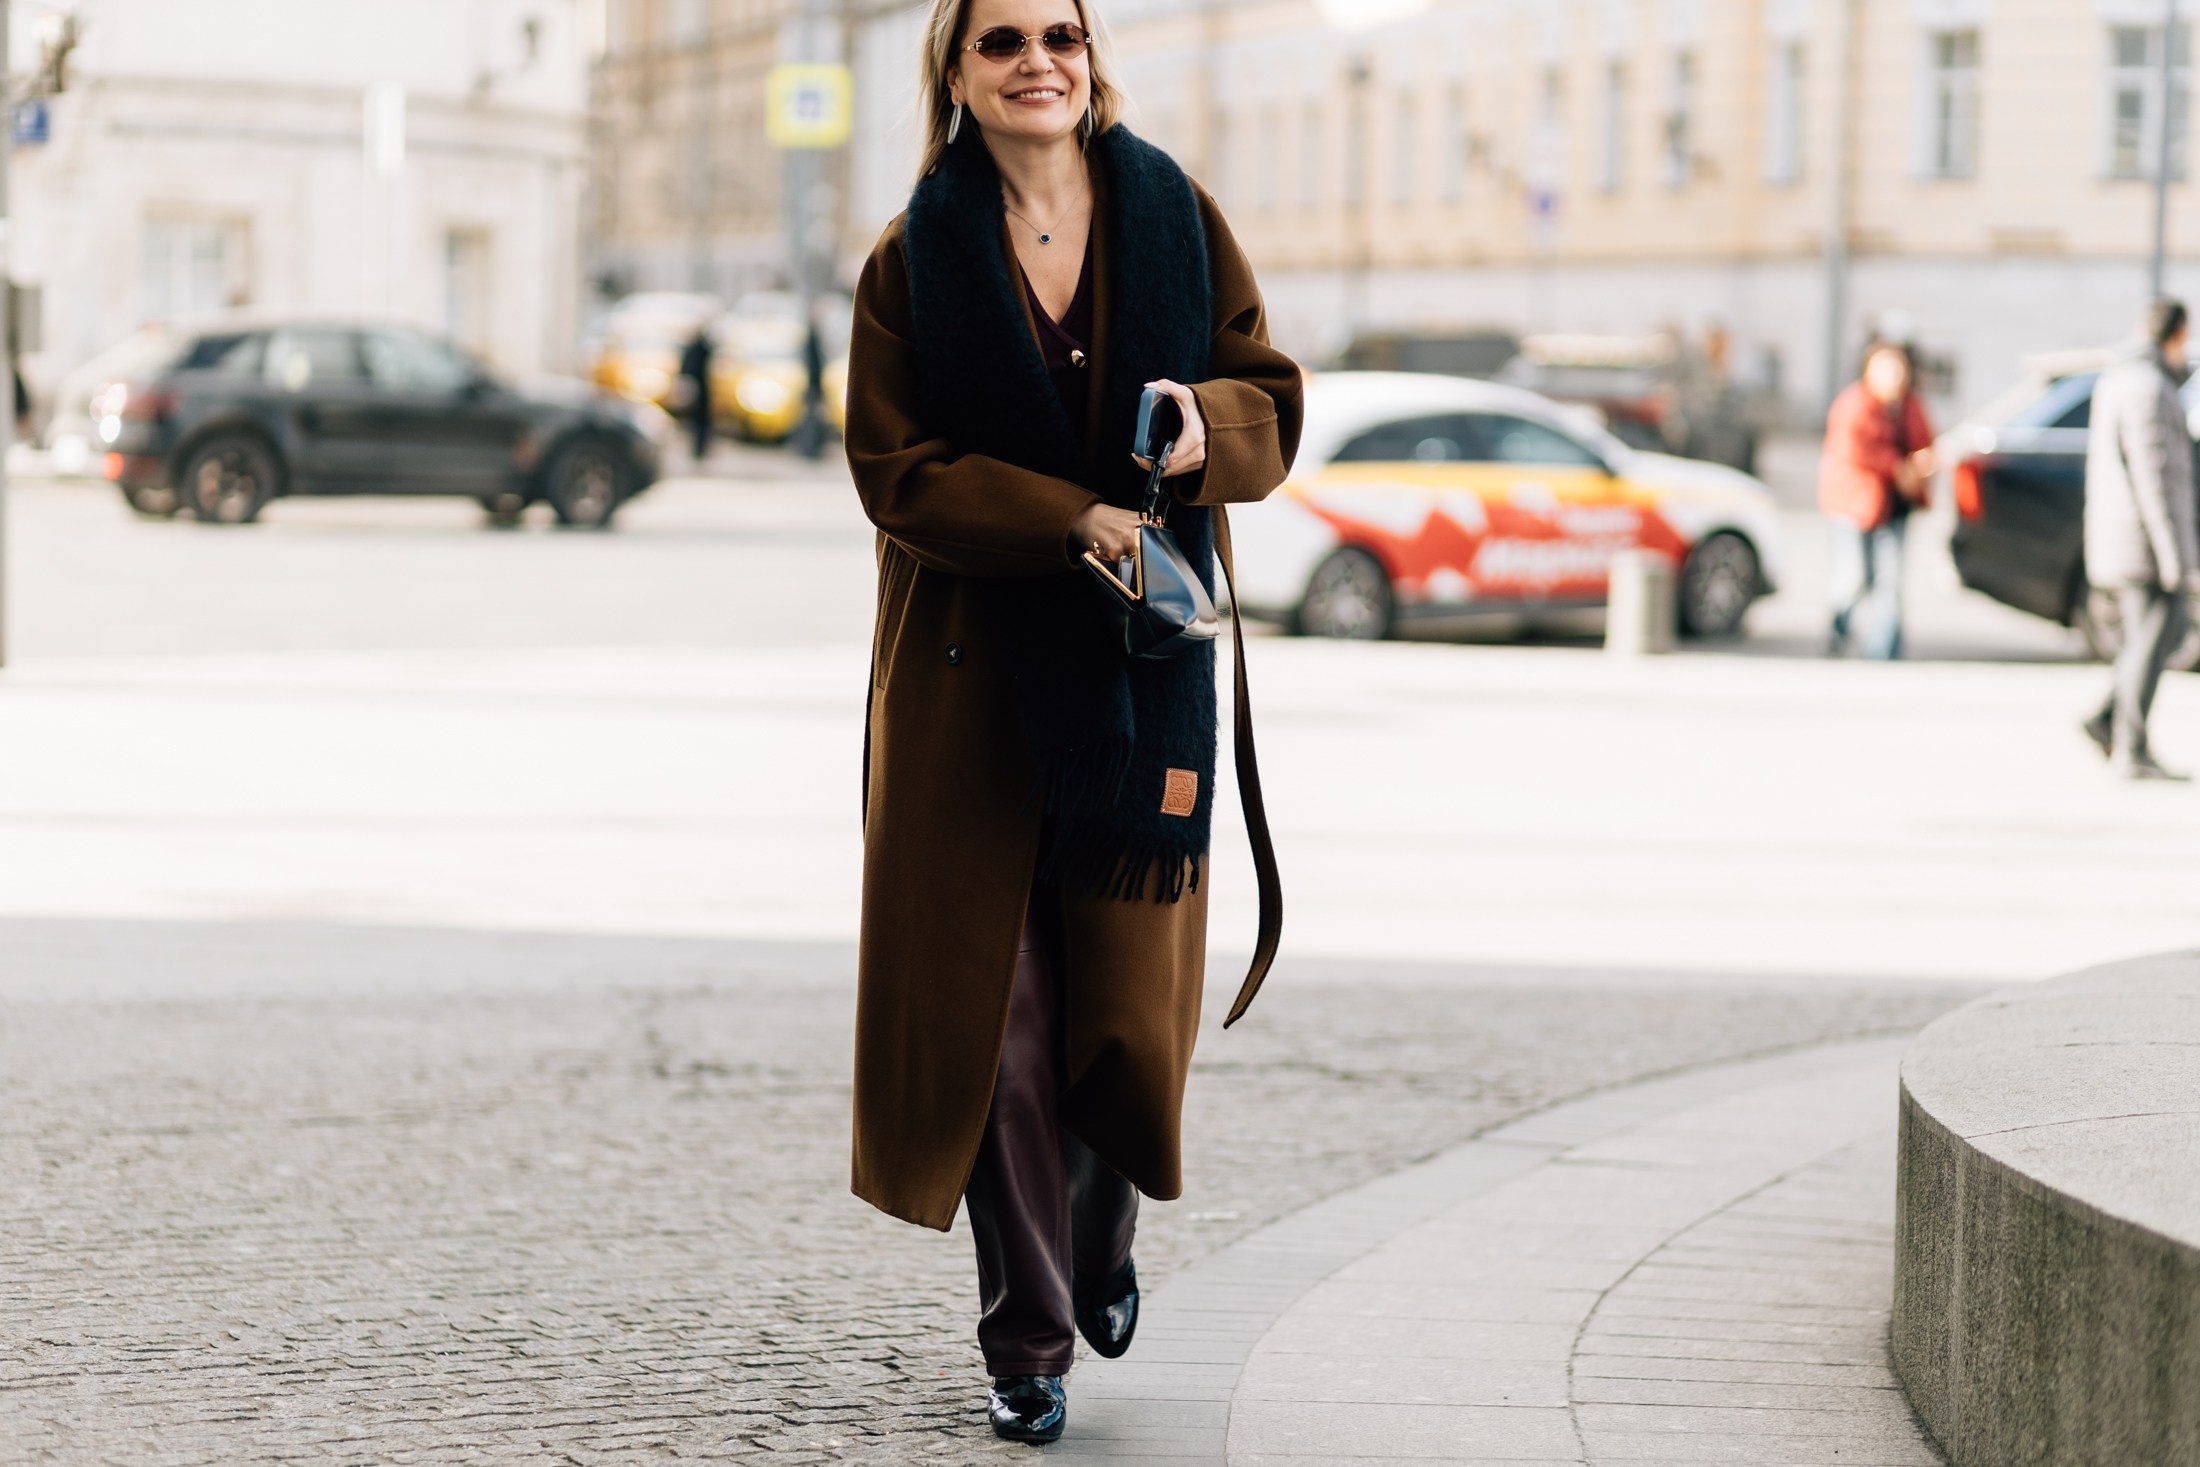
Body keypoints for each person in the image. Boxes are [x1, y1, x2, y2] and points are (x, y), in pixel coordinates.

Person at [840, 0, 1302, 1445]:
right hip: (971, 696)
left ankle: (1104, 1240)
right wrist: (1071, 516)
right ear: (958, 76)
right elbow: (895, 471)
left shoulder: (1177, 213)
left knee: (1119, 1019)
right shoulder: (914, 259)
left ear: (1092, 59)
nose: (1038, 57)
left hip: (1137, 682)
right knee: (1006, 1031)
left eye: (1062, 32)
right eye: (1002, 41)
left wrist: (1195, 433)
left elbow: (1270, 402)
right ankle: (1028, 1334)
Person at [2081, 297, 2199, 780]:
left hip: (2123, 539)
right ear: (2174, 337)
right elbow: (2159, 482)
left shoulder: (2120, 379)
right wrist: (2177, 560)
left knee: (2145, 642)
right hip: (2143, 546)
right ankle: (2129, 742)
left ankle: (2109, 719)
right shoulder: (2150, 388)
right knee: (2155, 640)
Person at [1820, 339, 1935, 659]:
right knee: (1853, 578)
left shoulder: (1911, 406)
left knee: (1890, 580)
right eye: (1886, 367)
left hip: (1895, 506)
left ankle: (1882, 653)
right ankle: (1838, 628)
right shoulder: (1853, 404)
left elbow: (1926, 442)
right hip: (1853, 504)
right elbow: (1854, 449)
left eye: (1899, 368)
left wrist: (1921, 465)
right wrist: (1898, 468)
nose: (1894, 375)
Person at [677, 321, 713, 462]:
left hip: (699, 387)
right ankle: (699, 450)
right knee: (698, 422)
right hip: (700, 388)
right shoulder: (698, 347)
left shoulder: (695, 347)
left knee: (698, 422)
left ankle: (699, 450)